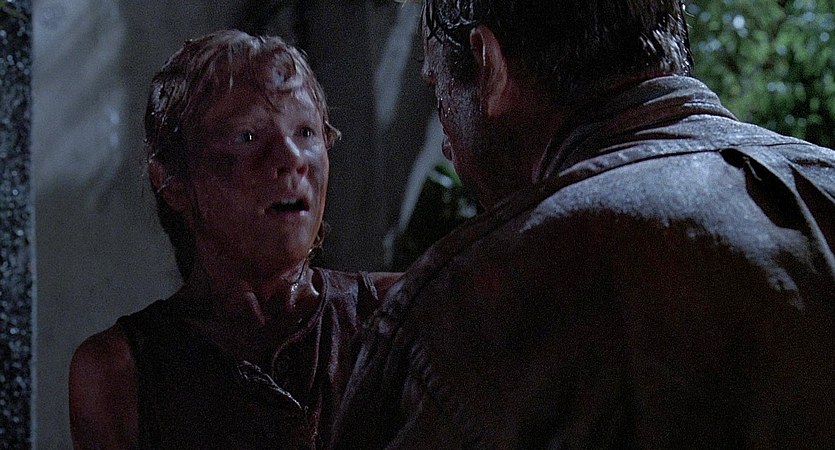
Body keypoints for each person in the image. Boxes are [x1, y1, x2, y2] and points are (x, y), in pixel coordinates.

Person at [331, 1, 835, 448]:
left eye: (437, 89)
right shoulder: (823, 181)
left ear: (488, 65)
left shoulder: (477, 307)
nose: (446, 142)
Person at [68, 30, 399, 449]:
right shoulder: (120, 373)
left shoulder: (393, 316)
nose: (292, 158)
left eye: (305, 132)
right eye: (247, 136)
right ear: (173, 181)